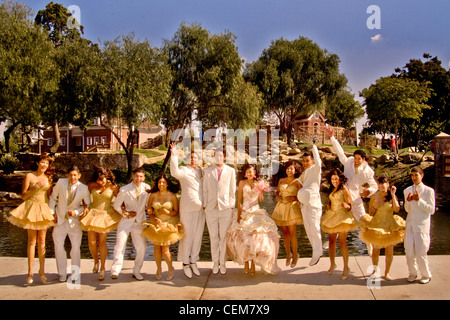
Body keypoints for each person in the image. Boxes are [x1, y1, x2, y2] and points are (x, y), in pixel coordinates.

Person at [325, 126, 377, 256]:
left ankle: (369, 244)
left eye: (359, 159)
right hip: (343, 195)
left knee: (363, 220)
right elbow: (340, 152)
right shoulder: (348, 162)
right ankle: (331, 239)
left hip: (356, 198)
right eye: (355, 158)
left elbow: (374, 186)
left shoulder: (368, 172)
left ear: (363, 160)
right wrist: (332, 137)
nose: (356, 161)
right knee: (337, 216)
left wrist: (368, 191)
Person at [7, 154, 56, 284]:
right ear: (37, 163)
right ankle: (30, 273)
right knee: (32, 241)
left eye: (47, 163)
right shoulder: (30, 176)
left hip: (43, 208)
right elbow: (23, 196)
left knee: (42, 241)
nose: (45, 165)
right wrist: (34, 188)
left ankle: (42, 271)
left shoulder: (49, 178)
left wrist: (52, 212)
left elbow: (49, 197)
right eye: (43, 162)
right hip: (31, 207)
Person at [227, 164, 280, 275]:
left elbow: (260, 200)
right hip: (245, 212)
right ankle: (246, 262)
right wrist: (239, 215)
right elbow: (239, 200)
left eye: (251, 172)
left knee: (255, 238)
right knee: (244, 238)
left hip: (256, 212)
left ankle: (253, 263)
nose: (248, 174)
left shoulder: (258, 184)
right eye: (247, 172)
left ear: (255, 173)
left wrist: (261, 190)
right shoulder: (242, 183)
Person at [49, 165, 91, 283]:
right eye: (71, 175)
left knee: (76, 248)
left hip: (74, 222)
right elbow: (52, 198)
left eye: (75, 175)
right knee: (58, 247)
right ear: (68, 175)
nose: (73, 177)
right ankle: (62, 274)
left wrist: (76, 212)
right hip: (60, 220)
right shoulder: (60, 183)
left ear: (79, 176)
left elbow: (87, 205)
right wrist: (52, 213)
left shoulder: (84, 188)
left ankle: (75, 274)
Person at [170, 142, 205, 279]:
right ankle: (185, 263)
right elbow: (174, 172)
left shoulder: (201, 171)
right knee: (187, 236)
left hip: (201, 209)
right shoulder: (183, 170)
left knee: (197, 237)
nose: (193, 160)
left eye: (195, 158)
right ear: (187, 159)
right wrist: (174, 155)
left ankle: (193, 261)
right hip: (187, 208)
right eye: (191, 158)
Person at [79, 165, 121, 281]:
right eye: (98, 180)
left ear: (106, 177)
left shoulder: (113, 186)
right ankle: (96, 261)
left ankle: (102, 268)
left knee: (102, 242)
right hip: (92, 214)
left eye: (102, 180)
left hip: (106, 215)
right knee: (92, 242)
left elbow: (121, 198)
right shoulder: (92, 185)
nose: (101, 183)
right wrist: (85, 206)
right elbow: (84, 198)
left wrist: (124, 210)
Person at [359, 176, 405, 281]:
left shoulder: (391, 195)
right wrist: (375, 206)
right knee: (376, 251)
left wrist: (393, 196)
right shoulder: (374, 197)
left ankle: (387, 273)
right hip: (377, 225)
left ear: (387, 184)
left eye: (383, 184)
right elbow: (371, 213)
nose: (380, 186)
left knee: (389, 251)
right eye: (379, 184)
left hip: (389, 225)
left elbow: (397, 209)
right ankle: (375, 271)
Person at [111, 167, 150, 281]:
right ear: (133, 176)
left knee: (142, 247)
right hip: (126, 222)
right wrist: (125, 212)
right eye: (137, 176)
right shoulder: (124, 189)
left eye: (141, 177)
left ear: (144, 177)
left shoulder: (147, 188)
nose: (139, 179)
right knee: (120, 244)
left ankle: (137, 270)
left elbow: (148, 204)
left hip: (140, 222)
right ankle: (115, 269)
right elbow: (116, 205)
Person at [142, 174, 183, 281]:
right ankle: (159, 268)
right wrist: (154, 218)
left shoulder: (172, 196)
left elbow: (176, 212)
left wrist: (168, 213)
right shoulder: (153, 195)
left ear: (167, 184)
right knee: (156, 249)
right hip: (156, 223)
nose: (161, 184)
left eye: (163, 182)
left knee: (165, 250)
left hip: (168, 224)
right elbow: (149, 210)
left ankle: (170, 268)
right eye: (159, 182)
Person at [203, 149, 236, 275]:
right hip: (210, 208)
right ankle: (215, 262)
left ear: (224, 157)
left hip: (225, 208)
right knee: (213, 237)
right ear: (214, 157)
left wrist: (231, 205)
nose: (219, 157)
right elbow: (205, 189)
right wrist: (206, 204)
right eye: (216, 155)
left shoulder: (231, 171)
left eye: (221, 155)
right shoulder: (208, 171)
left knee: (223, 237)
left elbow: (232, 190)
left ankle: (223, 262)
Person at [321, 169, 358, 280]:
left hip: (342, 217)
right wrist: (328, 204)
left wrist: (345, 206)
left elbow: (350, 205)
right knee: (331, 241)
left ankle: (346, 267)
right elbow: (332, 200)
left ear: (340, 179)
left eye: (336, 179)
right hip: (332, 216)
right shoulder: (333, 189)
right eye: (332, 179)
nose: (334, 181)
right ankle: (332, 264)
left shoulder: (344, 189)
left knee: (342, 242)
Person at [403, 166, 435, 284]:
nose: (414, 178)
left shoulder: (429, 191)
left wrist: (419, 201)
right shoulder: (407, 190)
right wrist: (409, 201)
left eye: (416, 175)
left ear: (422, 176)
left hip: (422, 225)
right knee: (409, 252)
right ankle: (412, 273)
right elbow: (407, 209)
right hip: (410, 224)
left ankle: (426, 274)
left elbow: (431, 210)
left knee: (421, 252)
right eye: (412, 175)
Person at [272, 161, 303, 268]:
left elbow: (302, 196)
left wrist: (294, 197)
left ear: (295, 170)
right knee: (284, 232)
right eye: (288, 169)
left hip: (292, 208)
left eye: (291, 169)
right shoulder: (281, 180)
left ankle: (295, 255)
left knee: (292, 232)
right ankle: (288, 254)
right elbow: (277, 192)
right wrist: (277, 197)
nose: (289, 171)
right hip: (281, 207)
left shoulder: (298, 182)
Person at [297, 142, 323, 266]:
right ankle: (317, 249)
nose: (305, 163)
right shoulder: (305, 173)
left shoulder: (316, 169)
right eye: (304, 161)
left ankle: (317, 253)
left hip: (313, 204)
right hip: (304, 205)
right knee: (308, 229)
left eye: (307, 160)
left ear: (312, 161)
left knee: (315, 227)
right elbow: (297, 182)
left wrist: (314, 147)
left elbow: (319, 162)